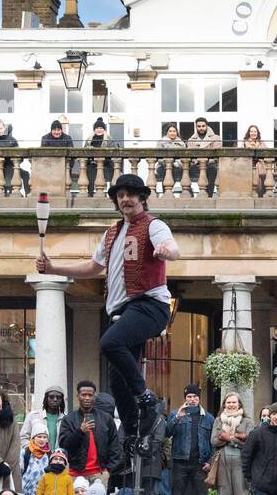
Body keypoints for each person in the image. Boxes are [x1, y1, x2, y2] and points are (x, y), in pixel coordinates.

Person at [34, 172, 179, 441]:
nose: (125, 199)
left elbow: (171, 246)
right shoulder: (112, 233)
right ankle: (133, 432)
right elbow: (92, 267)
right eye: (120, 195)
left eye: (130, 194)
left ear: (141, 198)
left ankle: (146, 397)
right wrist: (54, 268)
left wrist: (165, 251)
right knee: (116, 382)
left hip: (149, 305)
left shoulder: (153, 225)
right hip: (123, 312)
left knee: (109, 343)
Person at [163, 384, 214, 495]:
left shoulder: (208, 418)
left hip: (200, 464)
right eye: (189, 397)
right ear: (185, 398)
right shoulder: (175, 414)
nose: (192, 400)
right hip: (179, 463)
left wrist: (210, 461)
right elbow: (167, 433)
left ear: (199, 398)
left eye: (195, 397)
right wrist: (177, 416)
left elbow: (213, 442)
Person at [58, 381, 124, 488]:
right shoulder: (68, 419)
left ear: (94, 397)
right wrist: (80, 431)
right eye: (84, 395)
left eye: (90, 395)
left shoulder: (106, 418)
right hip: (75, 474)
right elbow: (64, 446)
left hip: (100, 473)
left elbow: (114, 445)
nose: (87, 398)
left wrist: (108, 470)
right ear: (78, 396)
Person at [209, 392, 252, 495]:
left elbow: (249, 441)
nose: (231, 405)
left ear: (240, 404)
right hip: (222, 463)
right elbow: (214, 440)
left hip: (241, 464)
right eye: (228, 402)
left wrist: (229, 438)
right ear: (224, 405)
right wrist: (236, 438)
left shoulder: (247, 421)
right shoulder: (218, 420)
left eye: (234, 402)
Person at [20, 385, 67, 452]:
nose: (55, 399)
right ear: (46, 398)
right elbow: (23, 437)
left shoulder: (66, 418)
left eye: (58, 397)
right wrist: (32, 451)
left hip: (57, 459)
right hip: (36, 459)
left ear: (62, 400)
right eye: (51, 397)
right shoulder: (33, 416)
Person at [20, 427, 51, 495]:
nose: (42, 440)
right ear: (33, 438)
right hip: (26, 494)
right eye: (39, 437)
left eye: (44, 437)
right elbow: (19, 470)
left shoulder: (49, 454)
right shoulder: (25, 452)